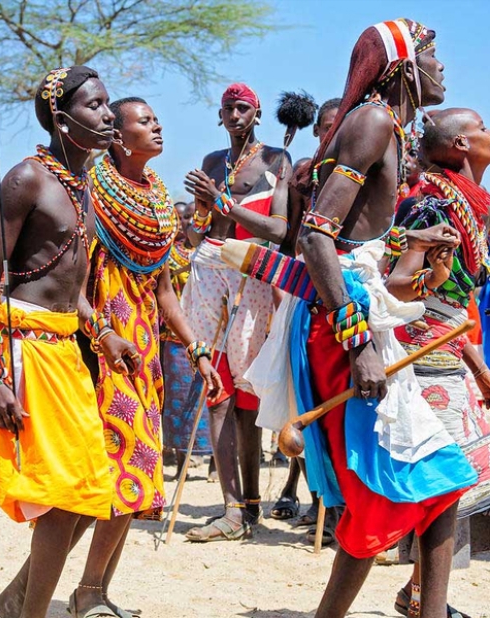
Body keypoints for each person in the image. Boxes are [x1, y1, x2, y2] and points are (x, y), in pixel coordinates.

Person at [293, 19, 476, 618]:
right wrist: (359, 343)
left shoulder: (389, 128)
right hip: (344, 323)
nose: (443, 68)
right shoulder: (373, 123)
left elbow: (353, 235)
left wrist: (410, 237)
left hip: (361, 313)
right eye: (433, 56)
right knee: (403, 485)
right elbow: (316, 235)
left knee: (432, 481)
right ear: (402, 68)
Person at [0, 66, 134, 618]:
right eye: (95, 106)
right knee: (63, 497)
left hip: (68, 351)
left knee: (92, 491)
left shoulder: (82, 184)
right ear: (63, 121)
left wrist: (104, 331)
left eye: (108, 103)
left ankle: (12, 603)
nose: (109, 114)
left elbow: (74, 285)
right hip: (28, 348)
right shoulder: (28, 179)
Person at [74, 97, 221, 617]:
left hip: (143, 350)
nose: (157, 126)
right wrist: (102, 332)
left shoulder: (157, 195)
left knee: (135, 473)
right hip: (96, 343)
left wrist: (198, 350)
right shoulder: (91, 190)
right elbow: (71, 281)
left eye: (158, 118)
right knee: (124, 463)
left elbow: (164, 290)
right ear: (117, 135)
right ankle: (81, 592)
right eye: (144, 121)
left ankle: (93, 592)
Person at [386, 107, 490, 618]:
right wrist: (429, 272)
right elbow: (395, 285)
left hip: (448, 353)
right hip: (421, 358)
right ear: (462, 147)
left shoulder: (467, 205)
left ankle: (418, 595)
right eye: (483, 127)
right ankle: (429, 608)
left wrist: (478, 366)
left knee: (461, 481)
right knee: (445, 485)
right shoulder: (429, 205)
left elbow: (453, 305)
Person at [181, 83, 292, 541]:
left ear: (257, 112)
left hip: (253, 269)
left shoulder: (275, 162)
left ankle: (249, 505)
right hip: (209, 266)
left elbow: (280, 228)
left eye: (243, 106)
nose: (234, 113)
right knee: (217, 385)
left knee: (248, 391)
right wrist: (203, 212)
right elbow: (200, 233)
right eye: (227, 108)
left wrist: (223, 201)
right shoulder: (211, 162)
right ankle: (232, 508)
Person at [270, 97, 341, 534]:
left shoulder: (366, 172)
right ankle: (323, 505)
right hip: (306, 296)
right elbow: (292, 237)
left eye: (341, 126)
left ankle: (342, 509)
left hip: (354, 298)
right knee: (309, 402)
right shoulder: (304, 177)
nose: (333, 133)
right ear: (317, 132)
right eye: (326, 127)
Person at [161, 200, 215, 480]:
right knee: (179, 403)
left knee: (210, 397)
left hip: (206, 333)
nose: (182, 223)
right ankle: (182, 462)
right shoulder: (164, 255)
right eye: (178, 218)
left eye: (187, 217)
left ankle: (215, 463)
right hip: (173, 340)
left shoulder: (205, 252)